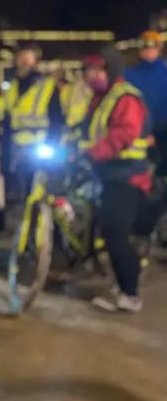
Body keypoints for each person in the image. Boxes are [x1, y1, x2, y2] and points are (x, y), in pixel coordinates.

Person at [78, 47, 151, 313]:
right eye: (88, 71)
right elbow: (86, 130)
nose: (92, 75)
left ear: (111, 70)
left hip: (127, 176)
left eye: (98, 70)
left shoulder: (125, 97)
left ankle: (130, 295)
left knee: (116, 235)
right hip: (107, 174)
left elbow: (124, 134)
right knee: (102, 225)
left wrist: (93, 153)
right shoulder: (100, 99)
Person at [0, 43, 64, 199]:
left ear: (36, 61)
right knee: (17, 194)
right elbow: (6, 121)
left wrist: (52, 144)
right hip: (17, 148)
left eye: (28, 58)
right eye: (21, 58)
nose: (24, 62)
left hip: (39, 146)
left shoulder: (48, 86)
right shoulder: (12, 88)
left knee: (40, 192)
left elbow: (57, 120)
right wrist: (4, 149)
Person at [125, 30, 167, 174]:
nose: (149, 52)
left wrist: (157, 135)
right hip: (136, 133)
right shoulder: (129, 75)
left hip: (163, 135)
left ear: (159, 49)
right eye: (145, 48)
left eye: (153, 48)